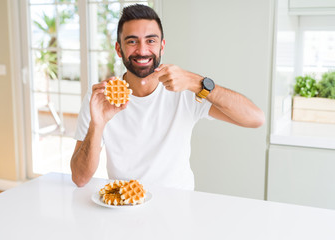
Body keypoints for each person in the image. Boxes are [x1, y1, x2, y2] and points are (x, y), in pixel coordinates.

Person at [70, 4, 265, 190]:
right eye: (132, 41)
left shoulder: (187, 90)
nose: (142, 50)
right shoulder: (101, 98)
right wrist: (98, 125)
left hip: (177, 206)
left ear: (162, 46)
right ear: (119, 49)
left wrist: (196, 82)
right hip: (124, 205)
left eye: (151, 40)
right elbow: (79, 178)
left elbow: (256, 119)